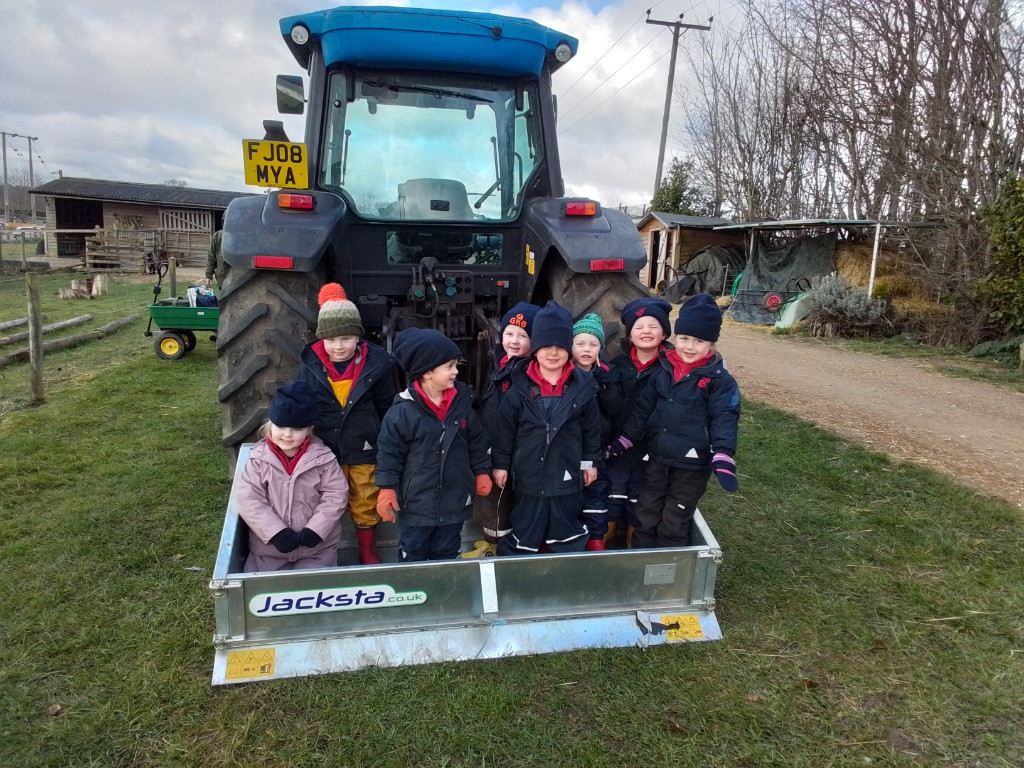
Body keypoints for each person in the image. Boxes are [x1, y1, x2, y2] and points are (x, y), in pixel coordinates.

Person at [609, 293, 740, 548]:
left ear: (711, 345)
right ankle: (640, 563)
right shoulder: (664, 370)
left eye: (699, 341)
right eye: (684, 338)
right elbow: (643, 410)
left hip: (691, 466)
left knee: (674, 517)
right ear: (675, 338)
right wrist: (626, 439)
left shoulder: (718, 381)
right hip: (658, 459)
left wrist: (722, 454)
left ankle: (668, 571)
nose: (689, 346)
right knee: (646, 512)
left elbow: (724, 416)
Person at [294, 283, 397, 565]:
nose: (339, 347)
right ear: (321, 339)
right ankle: (319, 548)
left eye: (347, 338)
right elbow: (300, 403)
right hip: (326, 447)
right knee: (324, 496)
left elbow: (388, 405)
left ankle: (367, 547)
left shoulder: (378, 364)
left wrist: (389, 441)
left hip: (365, 444)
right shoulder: (311, 365)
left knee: (365, 494)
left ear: (359, 337)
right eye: (331, 340)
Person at [491, 301, 602, 555]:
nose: (553, 354)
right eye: (545, 347)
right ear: (535, 350)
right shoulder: (519, 386)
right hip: (529, 473)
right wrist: (500, 465)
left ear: (568, 349)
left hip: (567, 473)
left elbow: (591, 431)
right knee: (527, 524)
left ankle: (567, 563)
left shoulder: (582, 387)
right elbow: (505, 431)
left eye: (560, 347)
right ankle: (520, 560)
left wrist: (589, 464)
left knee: (566, 525)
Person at [374, 328, 492, 562]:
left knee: (447, 553)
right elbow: (389, 454)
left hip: (454, 502)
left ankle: (447, 596)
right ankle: (414, 595)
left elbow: (477, 442)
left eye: (455, 365)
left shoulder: (462, 405)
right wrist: (386, 489)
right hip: (416, 506)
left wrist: (482, 472)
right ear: (427, 372)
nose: (456, 372)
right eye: (449, 366)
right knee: (413, 554)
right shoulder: (401, 413)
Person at [234, 381, 349, 572]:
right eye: (280, 426)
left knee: (314, 594)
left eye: (296, 429)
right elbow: (249, 499)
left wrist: (316, 530)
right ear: (270, 425)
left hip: (317, 549)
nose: (287, 435)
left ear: (309, 430)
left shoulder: (324, 459)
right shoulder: (258, 460)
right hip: (268, 550)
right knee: (265, 594)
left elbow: (336, 496)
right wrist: (276, 533)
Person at [470, 301, 541, 554]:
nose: (513, 340)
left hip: (508, 451)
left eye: (523, 336)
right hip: (493, 445)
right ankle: (493, 543)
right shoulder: (502, 363)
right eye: (509, 333)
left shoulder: (524, 372)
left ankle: (498, 549)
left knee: (501, 501)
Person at [603, 296, 674, 548]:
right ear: (630, 335)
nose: (646, 332)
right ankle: (606, 535)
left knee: (642, 497)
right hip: (617, 446)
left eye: (653, 326)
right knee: (612, 490)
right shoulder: (617, 366)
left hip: (650, 449)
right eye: (639, 327)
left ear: (664, 333)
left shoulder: (670, 369)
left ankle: (635, 542)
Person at [570, 312, 621, 551]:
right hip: (570, 449)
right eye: (580, 343)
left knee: (596, 495)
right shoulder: (564, 375)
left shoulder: (606, 375)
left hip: (597, 449)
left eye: (593, 344)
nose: (586, 349)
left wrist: (606, 386)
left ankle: (596, 543)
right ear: (571, 346)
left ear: (601, 347)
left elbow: (614, 409)